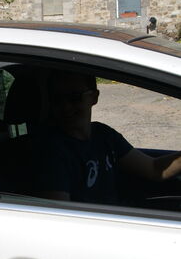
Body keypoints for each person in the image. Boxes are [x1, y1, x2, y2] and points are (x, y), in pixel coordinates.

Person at [32, 71, 181, 204]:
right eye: (57, 99)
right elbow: (58, 215)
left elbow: (154, 169)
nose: (66, 107)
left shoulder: (103, 135)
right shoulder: (51, 152)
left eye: (74, 98)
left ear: (94, 97)